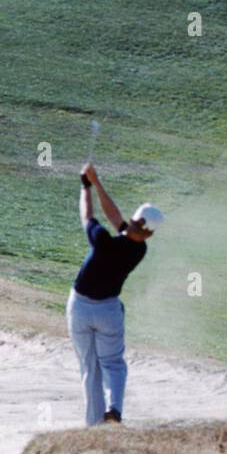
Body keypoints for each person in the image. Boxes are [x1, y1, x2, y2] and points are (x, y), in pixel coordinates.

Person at [67, 164, 163, 425]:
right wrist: (96, 183)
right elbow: (116, 219)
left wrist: (86, 186)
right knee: (113, 364)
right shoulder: (139, 250)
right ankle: (115, 410)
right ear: (149, 233)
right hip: (109, 311)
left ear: (134, 221)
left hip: (81, 308)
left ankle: (94, 424)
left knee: (90, 369)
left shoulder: (102, 242)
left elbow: (87, 215)